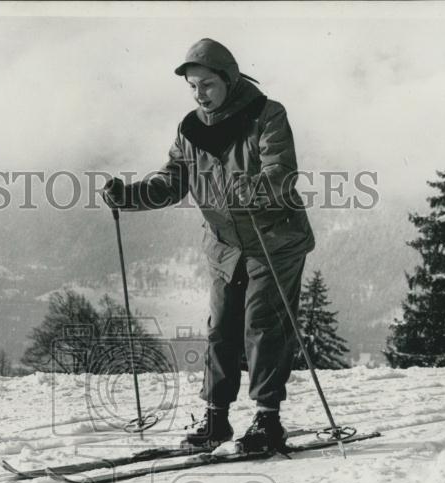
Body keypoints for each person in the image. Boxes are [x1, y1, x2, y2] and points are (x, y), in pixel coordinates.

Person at [102, 38, 315, 452]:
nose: (200, 94)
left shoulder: (267, 115)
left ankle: (267, 421)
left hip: (273, 240)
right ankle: (216, 420)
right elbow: (171, 182)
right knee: (221, 329)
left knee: (263, 326)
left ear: (229, 81)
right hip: (224, 246)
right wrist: (128, 196)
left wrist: (251, 188)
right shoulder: (191, 129)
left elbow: (281, 172)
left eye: (207, 85)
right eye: (193, 87)